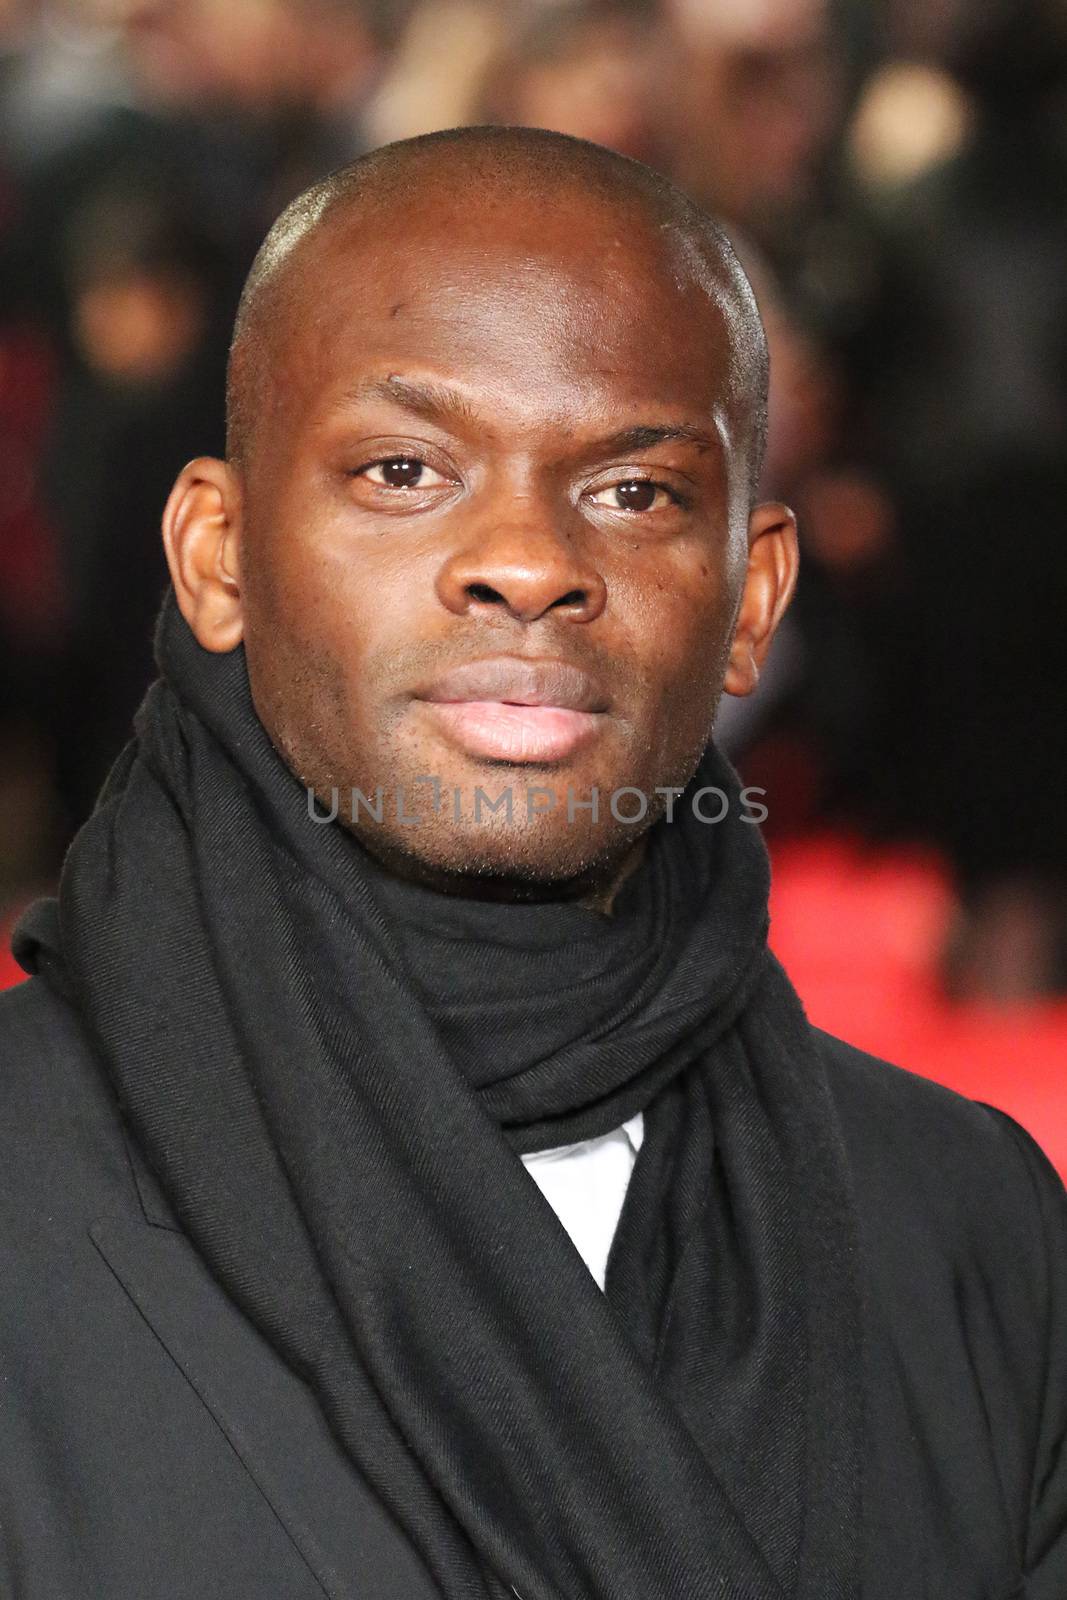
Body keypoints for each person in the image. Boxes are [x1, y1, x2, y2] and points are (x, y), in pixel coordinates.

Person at [0, 125, 1064, 1600]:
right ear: (218, 556)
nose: (525, 556)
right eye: (402, 468)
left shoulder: (970, 1232)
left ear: (753, 600)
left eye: (633, 492)